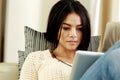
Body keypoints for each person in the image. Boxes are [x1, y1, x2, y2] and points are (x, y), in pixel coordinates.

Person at [19, 0, 90, 80]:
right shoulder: (36, 58)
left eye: (80, 29)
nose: (73, 34)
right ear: (54, 28)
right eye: (66, 28)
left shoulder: (92, 64)